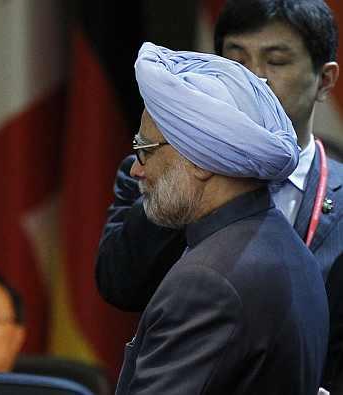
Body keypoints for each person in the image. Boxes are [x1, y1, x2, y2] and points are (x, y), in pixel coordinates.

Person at [97, 0, 343, 389]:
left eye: (146, 149)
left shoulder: (206, 284)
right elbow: (118, 281)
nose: (137, 168)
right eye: (237, 59)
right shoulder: (282, 242)